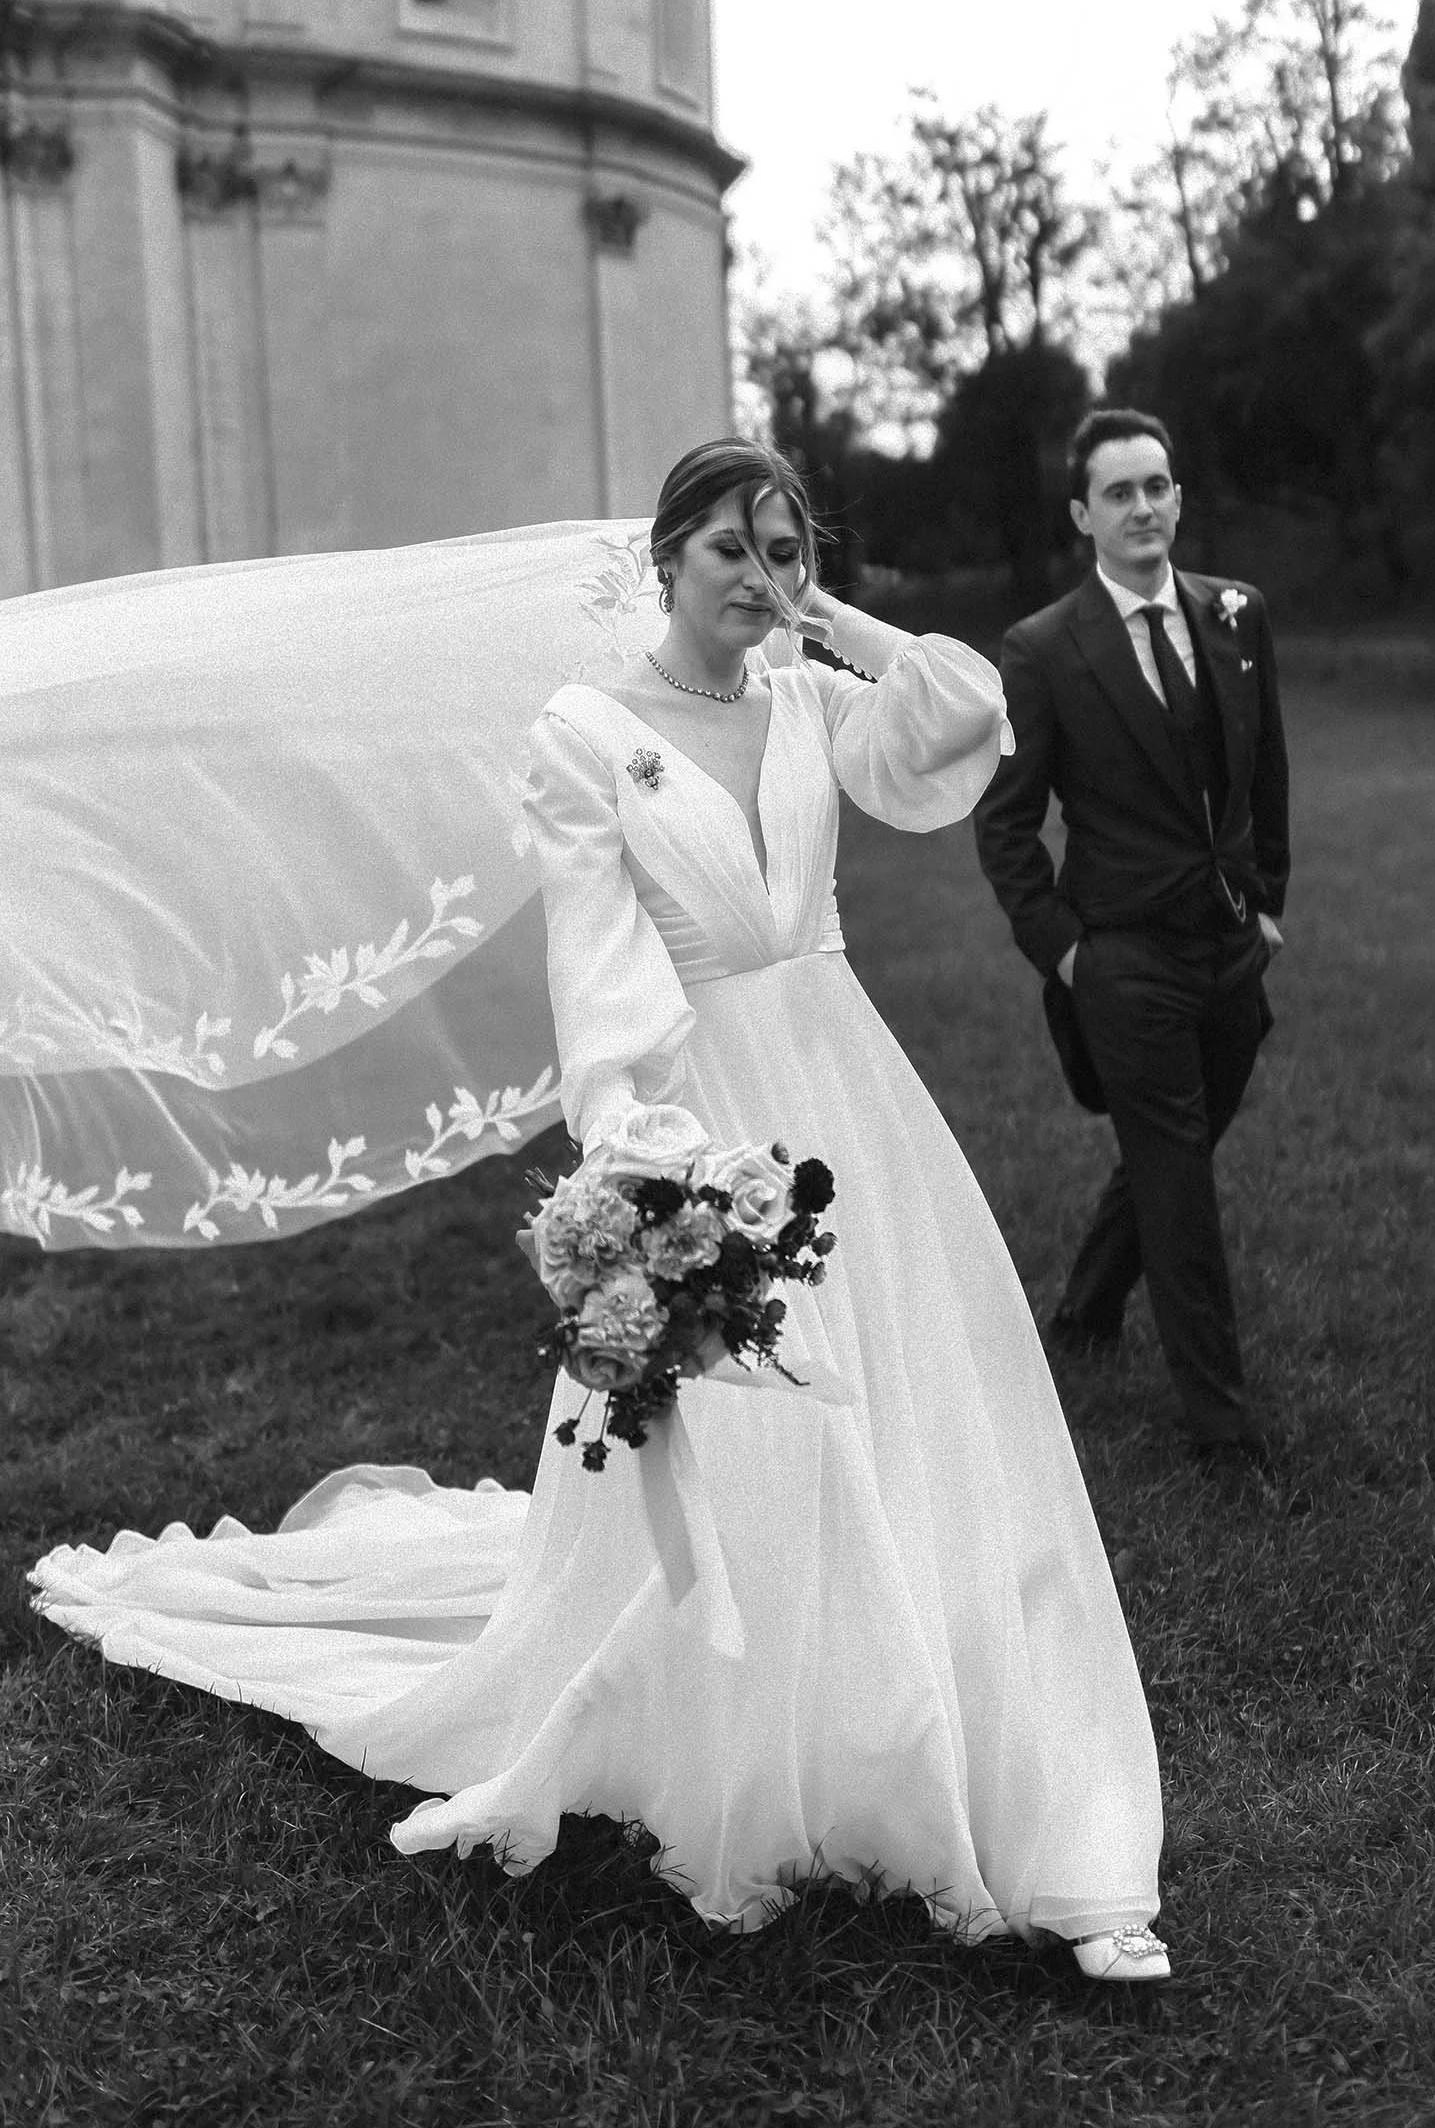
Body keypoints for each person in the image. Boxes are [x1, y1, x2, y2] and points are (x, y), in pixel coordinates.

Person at [27, 440, 1168, 1981]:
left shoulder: (815, 699)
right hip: (707, 1095)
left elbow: (966, 716)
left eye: (784, 552)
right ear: (665, 559)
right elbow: (596, 952)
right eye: (733, 556)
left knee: (912, 1398)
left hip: (853, 1089)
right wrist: (645, 1157)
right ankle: (761, 1737)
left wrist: (833, 620)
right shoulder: (584, 732)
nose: (759, 582)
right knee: (765, 1421)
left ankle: (987, 1750)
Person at [974, 408, 1290, 1468]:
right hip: (1123, 958)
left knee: (1184, 1142)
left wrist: (1270, 897)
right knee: (1177, 1177)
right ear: (1082, 515)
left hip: (1232, 942)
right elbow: (1006, 822)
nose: (1143, 506)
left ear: (1179, 497)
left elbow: (1266, 776)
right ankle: (1224, 1431)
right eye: (1119, 492)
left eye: (1157, 485)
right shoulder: (1045, 648)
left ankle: (1088, 1307)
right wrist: (1068, 950)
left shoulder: (1238, 616)